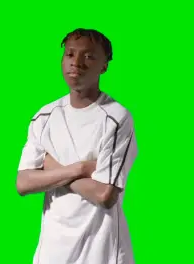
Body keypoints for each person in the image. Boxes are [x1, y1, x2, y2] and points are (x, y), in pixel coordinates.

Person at [16, 28, 138, 264]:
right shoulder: (44, 117)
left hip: (101, 252)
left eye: (89, 56)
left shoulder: (116, 118)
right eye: (70, 54)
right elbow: (23, 183)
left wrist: (50, 168)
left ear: (104, 66)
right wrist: (81, 169)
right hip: (51, 252)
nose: (77, 63)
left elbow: (105, 194)